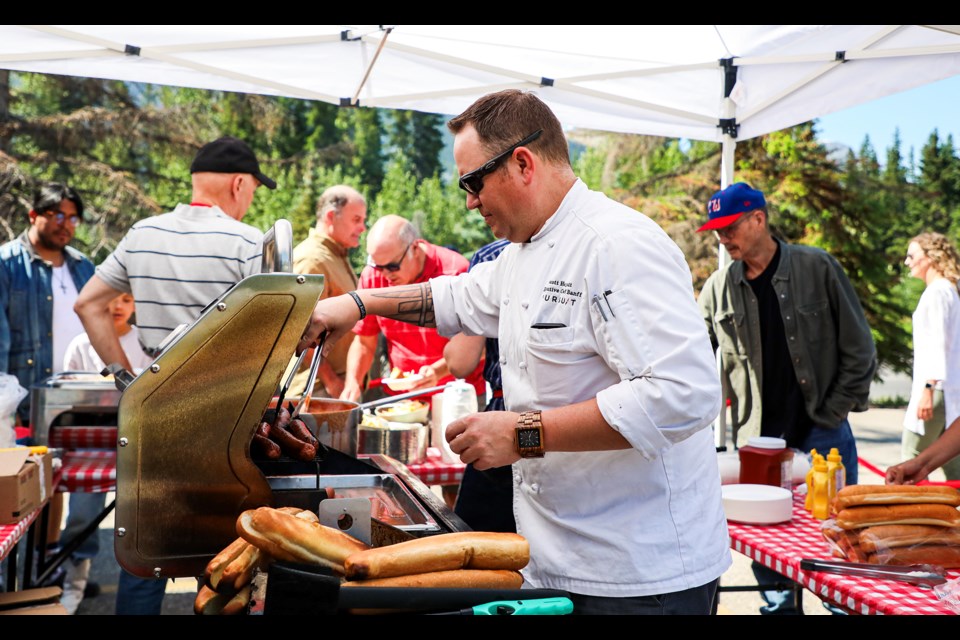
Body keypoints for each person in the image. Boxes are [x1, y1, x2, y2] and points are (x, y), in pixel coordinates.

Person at [303, 89, 730, 615]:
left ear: (522, 163)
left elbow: (682, 394)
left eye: (473, 182)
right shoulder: (525, 250)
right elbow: (454, 297)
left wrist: (524, 433)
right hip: (556, 562)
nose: (469, 201)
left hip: (639, 575)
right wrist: (356, 303)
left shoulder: (615, 245)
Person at [75, 135, 274, 615]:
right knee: (229, 558)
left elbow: (89, 303)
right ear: (239, 183)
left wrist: (124, 378)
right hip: (228, 416)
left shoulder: (142, 233)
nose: (249, 200)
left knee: (149, 550)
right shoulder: (247, 242)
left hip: (156, 409)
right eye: (252, 190)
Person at [697, 182, 877, 615]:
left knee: (839, 552)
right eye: (717, 231)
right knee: (772, 567)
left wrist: (832, 412)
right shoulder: (717, 289)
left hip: (823, 437)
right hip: (757, 445)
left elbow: (860, 349)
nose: (723, 239)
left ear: (759, 219)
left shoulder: (819, 267)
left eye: (730, 228)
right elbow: (689, 362)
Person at [0, 182, 94, 579]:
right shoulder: (7, 264)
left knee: (78, 489)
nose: (66, 224)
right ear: (32, 216)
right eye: (57, 214)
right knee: (22, 493)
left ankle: (69, 565)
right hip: (25, 399)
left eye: (73, 217)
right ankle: (26, 577)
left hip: (81, 400)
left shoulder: (82, 265)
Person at [59, 293, 153, 614]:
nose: (117, 307)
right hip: (91, 445)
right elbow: (68, 397)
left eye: (125, 299)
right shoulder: (80, 345)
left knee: (140, 522)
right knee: (81, 517)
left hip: (140, 446)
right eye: (110, 299)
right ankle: (73, 583)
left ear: (136, 304)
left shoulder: (148, 343)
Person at [339, 215, 484, 403]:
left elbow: (480, 345)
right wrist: (352, 383)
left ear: (414, 248)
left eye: (392, 266)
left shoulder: (455, 272)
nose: (384, 274)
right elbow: (364, 342)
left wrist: (437, 372)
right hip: (403, 397)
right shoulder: (372, 277)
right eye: (377, 266)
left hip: (455, 394)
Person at [443, 238, 515, 534]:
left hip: (503, 421)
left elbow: (459, 362)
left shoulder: (493, 255)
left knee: (476, 547)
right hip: (573, 429)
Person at [288, 185, 366, 399]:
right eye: (357, 219)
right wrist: (332, 382)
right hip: (318, 390)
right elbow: (299, 330)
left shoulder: (336, 255)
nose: (363, 227)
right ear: (331, 216)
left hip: (336, 386)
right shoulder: (312, 259)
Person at [899, 232, 960, 481]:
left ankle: (914, 518)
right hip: (950, 392)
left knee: (911, 459)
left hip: (935, 391)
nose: (906, 261)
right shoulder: (951, 290)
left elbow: (937, 342)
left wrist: (928, 387)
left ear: (931, 257)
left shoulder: (937, 292)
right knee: (954, 466)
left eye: (912, 255)